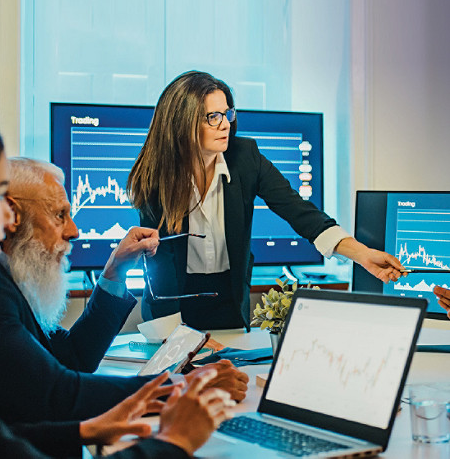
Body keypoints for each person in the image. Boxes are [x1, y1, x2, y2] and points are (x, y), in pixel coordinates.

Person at [0, 111, 236, 458]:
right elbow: (59, 394)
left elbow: (72, 358)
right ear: (13, 211)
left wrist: (114, 272)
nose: (74, 232)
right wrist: (183, 391)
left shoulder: (8, 280)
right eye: (59, 215)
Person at [127, 70, 406, 330]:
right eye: (213, 117)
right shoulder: (155, 176)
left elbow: (300, 212)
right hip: (173, 304)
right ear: (182, 122)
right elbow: (160, 264)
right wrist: (175, 340)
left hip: (228, 301)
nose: (226, 124)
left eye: (227, 113)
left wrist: (363, 255)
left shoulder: (245, 157)